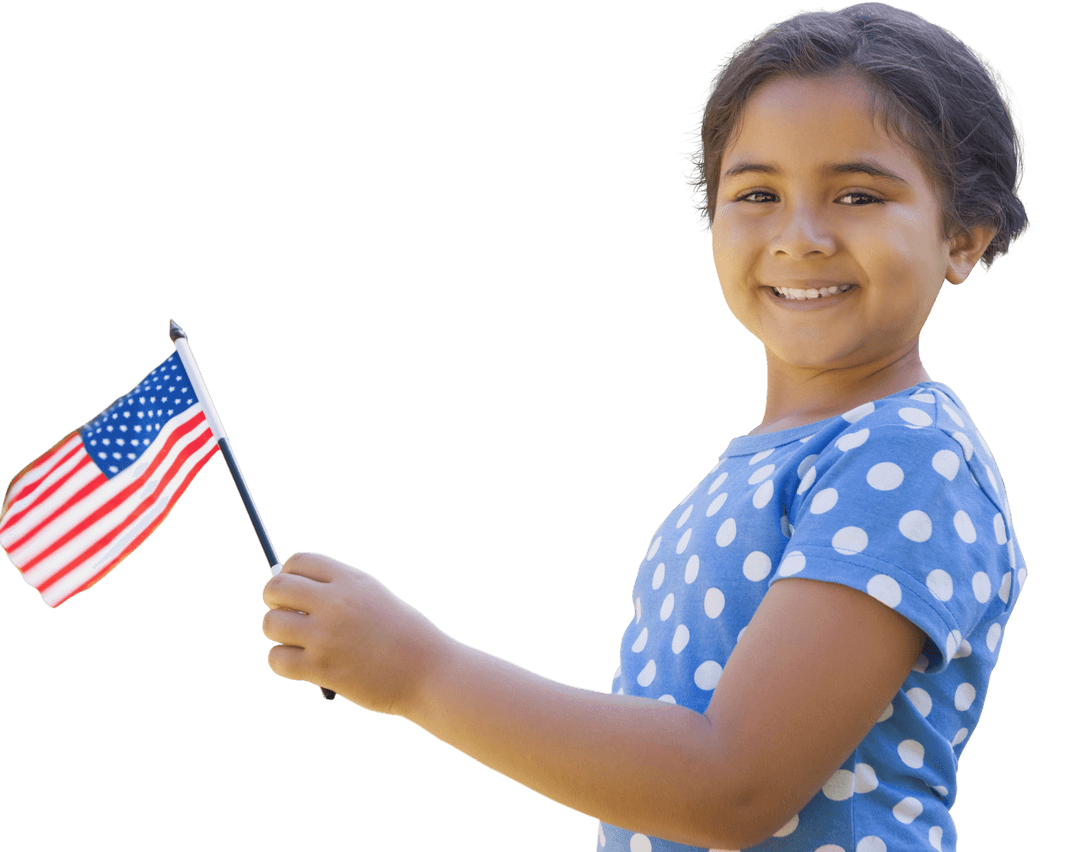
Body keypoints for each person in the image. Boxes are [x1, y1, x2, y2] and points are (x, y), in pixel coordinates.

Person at [259, 3, 1031, 849]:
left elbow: (732, 786)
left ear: (964, 236)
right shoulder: (765, 465)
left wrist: (418, 671)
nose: (799, 236)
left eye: (858, 193)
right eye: (758, 193)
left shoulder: (906, 453)